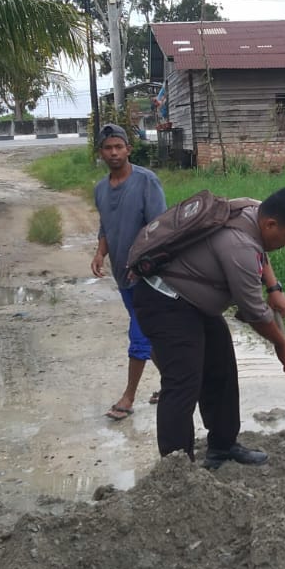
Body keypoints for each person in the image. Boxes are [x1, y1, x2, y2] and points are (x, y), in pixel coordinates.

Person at [131, 187, 285, 468]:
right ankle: (177, 469)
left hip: (194, 300)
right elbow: (255, 312)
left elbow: (261, 253)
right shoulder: (240, 246)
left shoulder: (252, 209)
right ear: (271, 224)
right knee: (183, 382)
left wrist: (273, 286)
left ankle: (222, 446)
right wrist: (281, 344)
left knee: (221, 368)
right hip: (163, 300)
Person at [91, 124, 168, 421]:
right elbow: (105, 226)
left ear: (128, 149)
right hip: (122, 277)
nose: (113, 152)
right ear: (101, 153)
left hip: (147, 276)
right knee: (148, 333)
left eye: (118, 147)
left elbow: (160, 230)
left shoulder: (146, 182)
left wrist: (144, 266)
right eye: (108, 148)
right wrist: (100, 252)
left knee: (138, 336)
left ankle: (128, 397)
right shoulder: (100, 188)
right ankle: (171, 382)